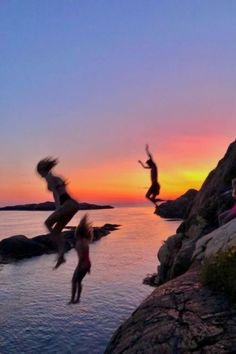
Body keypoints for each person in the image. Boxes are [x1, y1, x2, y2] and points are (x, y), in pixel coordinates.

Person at [36, 157, 79, 269]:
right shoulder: (56, 177)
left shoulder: (49, 177)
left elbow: (56, 192)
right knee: (56, 231)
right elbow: (61, 190)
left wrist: (58, 207)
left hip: (66, 204)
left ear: (43, 170)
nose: (40, 175)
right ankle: (61, 256)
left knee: (48, 224)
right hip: (73, 205)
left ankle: (61, 250)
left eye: (40, 172)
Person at [69, 214, 93, 304]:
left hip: (82, 264)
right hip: (88, 263)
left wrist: (79, 267)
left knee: (74, 281)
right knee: (79, 281)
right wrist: (89, 268)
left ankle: (72, 299)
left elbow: (81, 258)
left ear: (77, 233)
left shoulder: (79, 243)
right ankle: (78, 299)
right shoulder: (85, 241)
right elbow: (86, 254)